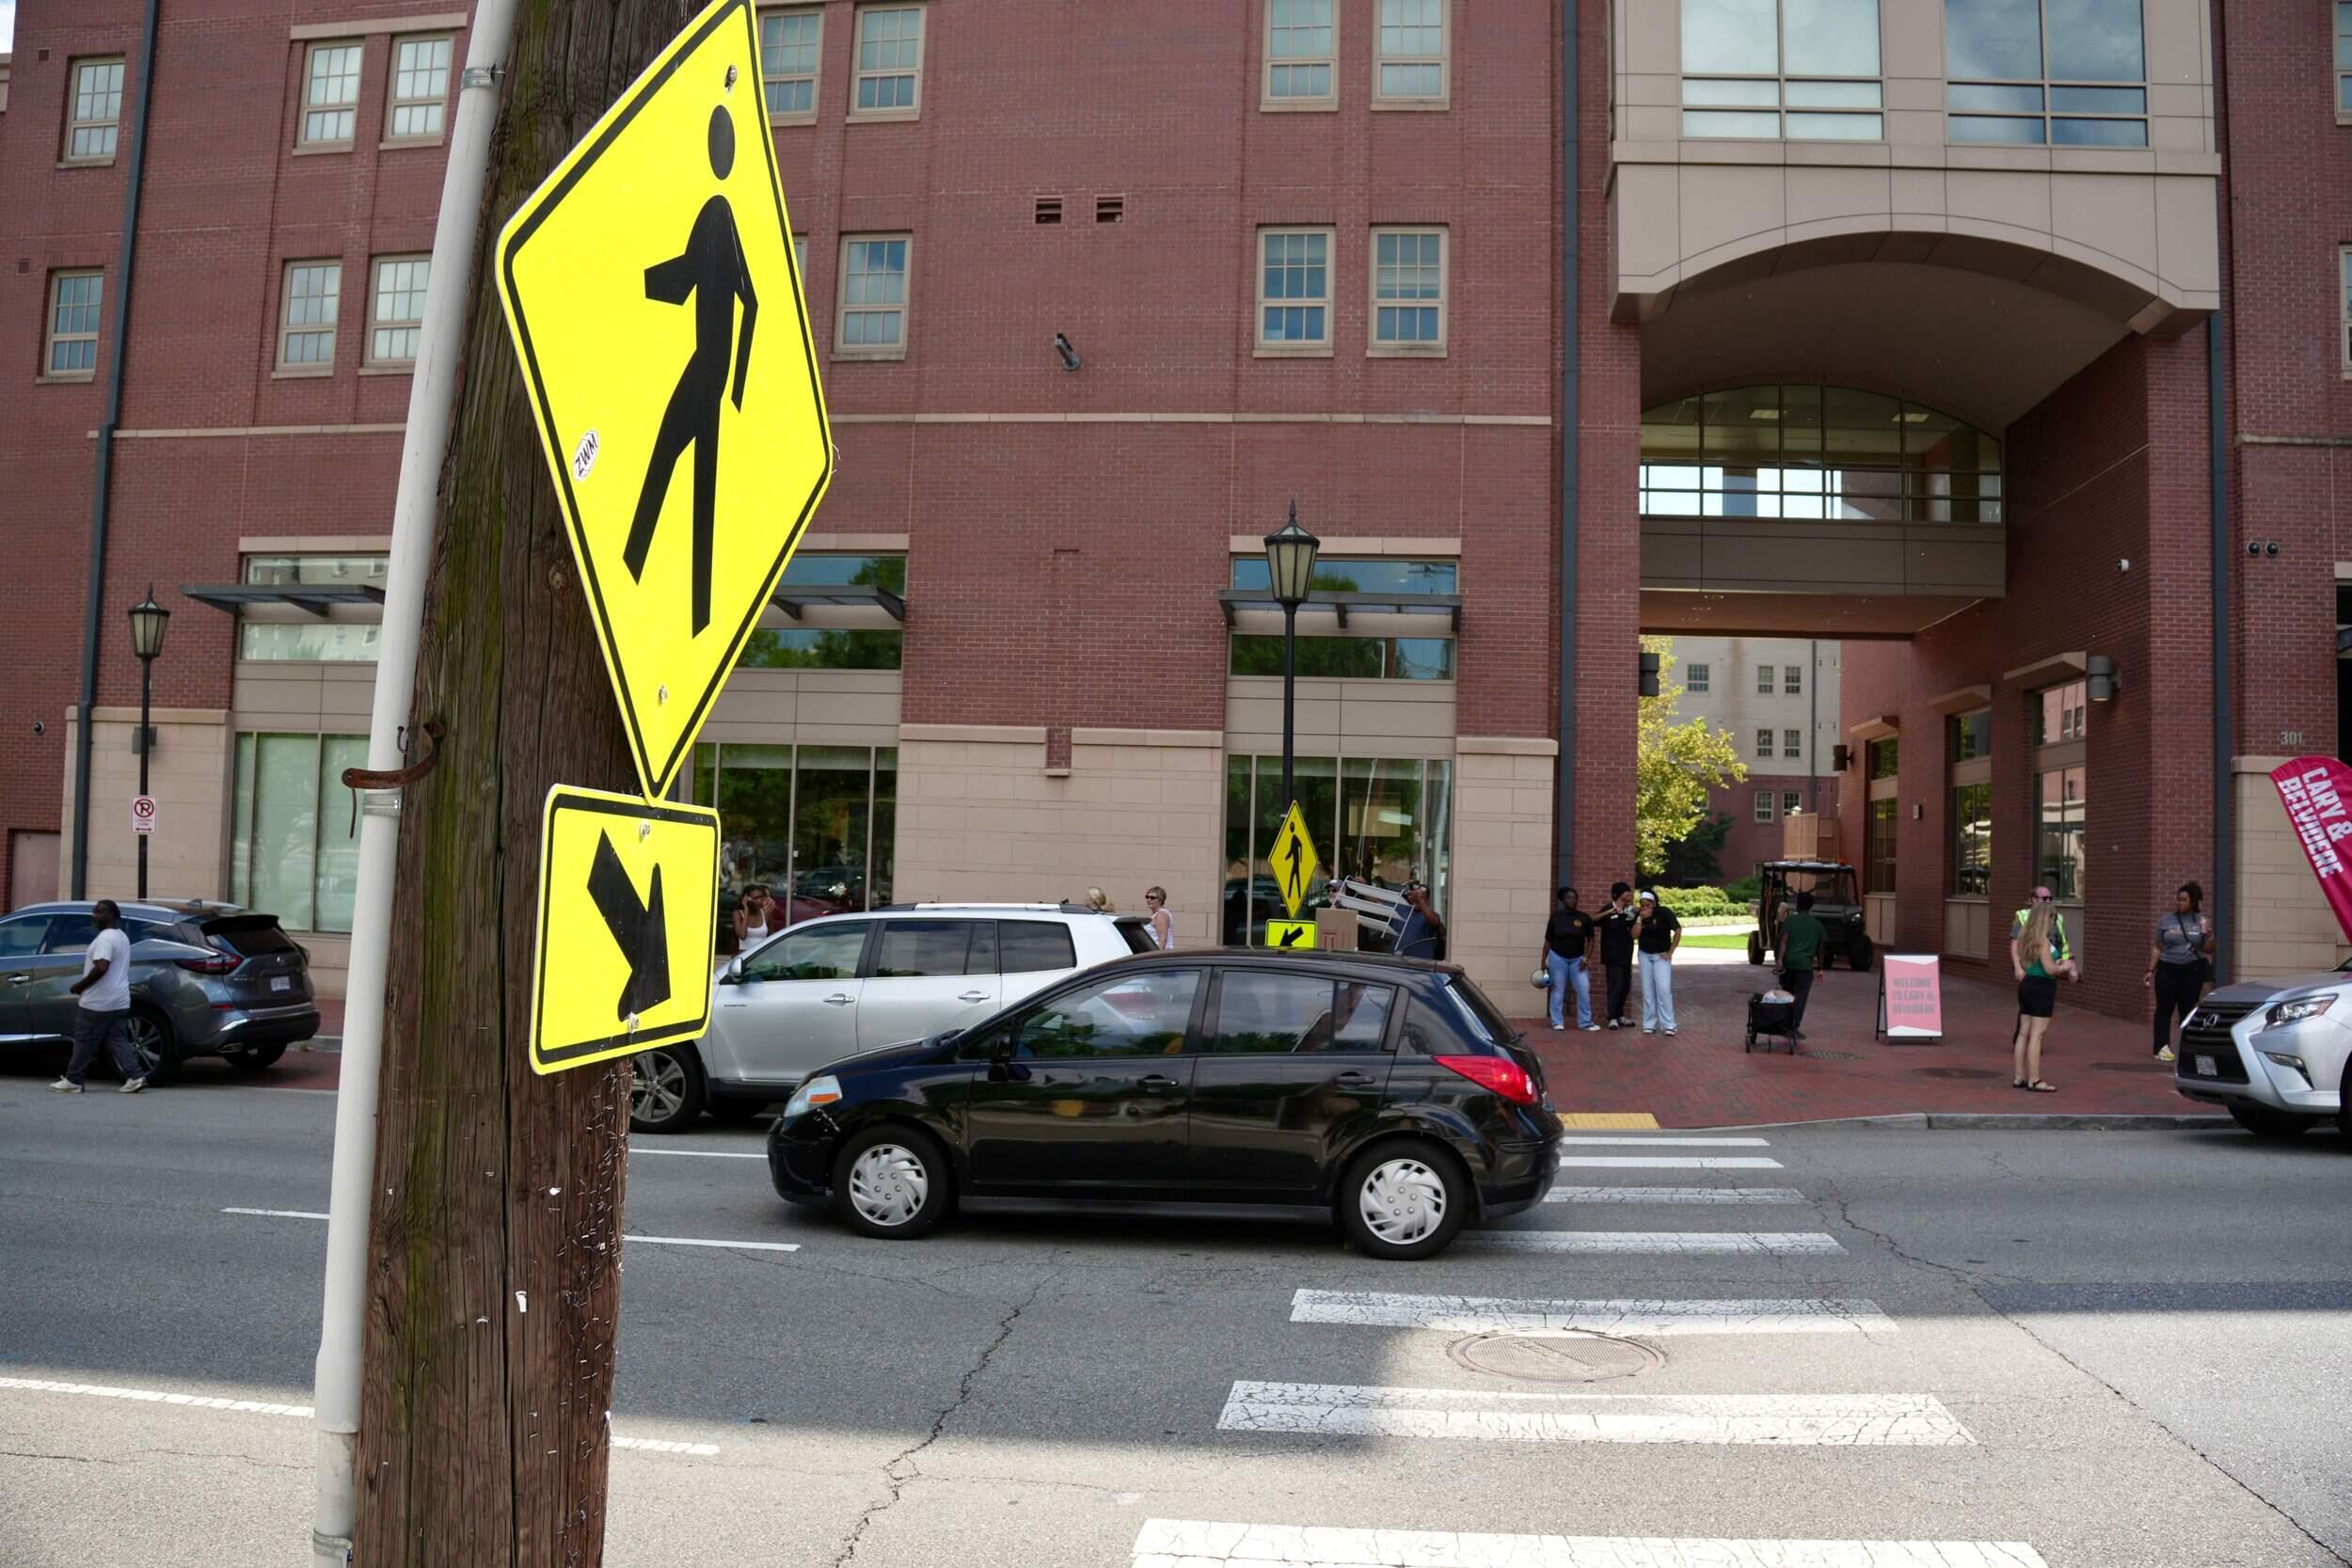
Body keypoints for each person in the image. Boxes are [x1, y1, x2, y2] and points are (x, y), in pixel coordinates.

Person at [49, 899, 146, 1095]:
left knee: (84, 1040)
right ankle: (135, 1076)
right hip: (119, 999)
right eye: (94, 912)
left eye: (99, 912)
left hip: (98, 1001)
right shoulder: (121, 936)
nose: (95, 916)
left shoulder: (105, 939)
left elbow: (102, 966)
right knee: (118, 1039)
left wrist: (80, 985)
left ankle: (74, 1080)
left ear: (111, 914)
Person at [2010, 887, 2078, 1091]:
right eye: (2051, 918)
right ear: (2043, 919)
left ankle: (2019, 1077)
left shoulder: (2027, 937)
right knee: (2037, 1035)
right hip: (2042, 987)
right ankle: (2035, 1079)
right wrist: (2064, 967)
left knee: (2024, 1033)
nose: (2053, 922)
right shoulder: (2041, 941)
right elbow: (2050, 968)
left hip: (2028, 985)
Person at [2145, 879, 2214, 1063]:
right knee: (2164, 1009)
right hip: (2168, 968)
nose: (2180, 903)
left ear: (2193, 902)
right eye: (2178, 899)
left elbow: (2208, 949)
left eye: (2184, 900)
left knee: (2188, 1010)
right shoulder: (2166, 920)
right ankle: (2161, 1048)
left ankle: (2187, 1047)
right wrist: (2150, 970)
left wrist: (2209, 936)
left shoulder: (2202, 921)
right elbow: (2157, 947)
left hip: (2192, 969)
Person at [1539, 886, 1597, 1031]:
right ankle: (1557, 1021)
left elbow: (1591, 940)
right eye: (1569, 897)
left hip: (1578, 959)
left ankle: (1585, 1022)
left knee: (1583, 989)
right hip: (1557, 957)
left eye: (1575, 897)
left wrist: (1586, 959)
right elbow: (1548, 941)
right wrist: (1543, 961)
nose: (1573, 900)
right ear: (1563, 900)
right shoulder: (1555, 918)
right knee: (1559, 988)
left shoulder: (1583, 918)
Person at [1776, 889, 1828, 1040]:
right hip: (1805, 966)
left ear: (1798, 905)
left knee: (1787, 995)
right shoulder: (1817, 925)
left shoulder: (1790, 921)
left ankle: (1785, 1025)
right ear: (1811, 906)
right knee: (1801, 997)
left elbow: (1784, 941)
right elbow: (1821, 948)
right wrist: (1820, 967)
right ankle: (1794, 1027)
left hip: (1789, 964)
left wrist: (1779, 960)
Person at [1635, 889, 1683, 1036]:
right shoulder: (1639, 915)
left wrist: (1671, 951)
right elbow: (1634, 935)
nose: (1644, 907)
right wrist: (1640, 919)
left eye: (1647, 904)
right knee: (1647, 990)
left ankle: (1669, 1024)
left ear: (1654, 903)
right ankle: (1649, 1023)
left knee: (1663, 989)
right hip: (1644, 954)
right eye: (1642, 905)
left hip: (1661, 955)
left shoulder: (1664, 912)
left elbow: (1678, 929)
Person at [1597, 882, 1639, 1029]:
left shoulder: (1630, 911)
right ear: (1618, 893)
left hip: (1626, 955)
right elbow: (1592, 920)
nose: (1630, 894)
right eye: (1627, 892)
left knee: (1624, 986)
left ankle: (1620, 1016)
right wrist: (1609, 913)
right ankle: (1612, 1017)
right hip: (1612, 955)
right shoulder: (1608, 909)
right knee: (1615, 985)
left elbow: (1635, 927)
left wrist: (1638, 913)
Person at [1395, 883, 1445, 960]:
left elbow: (1435, 922)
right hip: (1397, 962)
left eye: (1422, 897)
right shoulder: (1401, 910)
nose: (1416, 900)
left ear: (1427, 900)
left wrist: (1419, 901)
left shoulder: (1430, 915)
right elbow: (1377, 905)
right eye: (1414, 897)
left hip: (1421, 965)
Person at [733, 883, 775, 950]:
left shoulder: (765, 913)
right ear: (746, 898)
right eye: (755, 898)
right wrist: (746, 909)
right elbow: (742, 936)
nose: (759, 901)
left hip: (761, 955)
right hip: (745, 955)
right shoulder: (738, 914)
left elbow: (772, 937)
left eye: (760, 897)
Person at [1143, 885, 1175, 950]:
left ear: (1160, 900)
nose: (1149, 900)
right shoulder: (1156, 914)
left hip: (1159, 955)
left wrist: (1156, 957)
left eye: (1152, 898)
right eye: (1147, 897)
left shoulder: (1161, 915)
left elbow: (1163, 940)